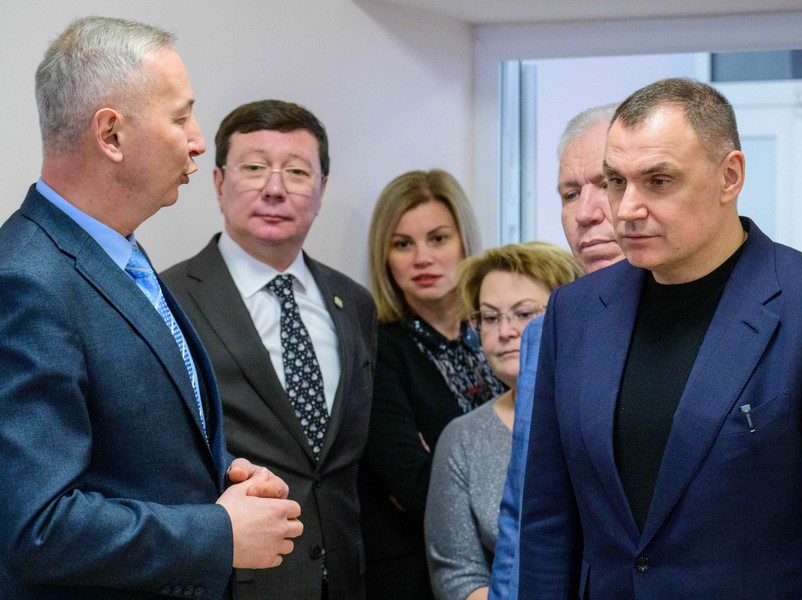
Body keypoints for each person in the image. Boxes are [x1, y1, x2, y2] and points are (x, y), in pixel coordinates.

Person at [517, 77, 802, 599]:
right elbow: (547, 520)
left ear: (729, 176)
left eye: (658, 181)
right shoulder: (576, 312)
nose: (625, 209)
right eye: (616, 181)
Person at [0, 16, 302, 600]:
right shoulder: (25, 281)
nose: (197, 140)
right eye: (181, 117)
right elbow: (35, 527)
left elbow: (127, 446)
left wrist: (224, 474)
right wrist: (219, 532)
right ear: (111, 135)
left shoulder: (115, 253)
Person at [162, 99, 377, 600]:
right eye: (254, 168)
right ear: (219, 182)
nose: (275, 188)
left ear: (321, 189)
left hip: (344, 580)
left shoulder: (354, 303)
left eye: (297, 172)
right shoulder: (169, 300)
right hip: (232, 582)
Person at [489, 103, 623, 600]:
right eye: (570, 194)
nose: (586, 213)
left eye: (607, 184)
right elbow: (526, 509)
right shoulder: (546, 334)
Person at [359, 170, 506, 600]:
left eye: (438, 239)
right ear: (385, 257)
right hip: (418, 576)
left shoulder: (499, 334)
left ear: (465, 241)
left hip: (516, 565)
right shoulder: (377, 349)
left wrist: (450, 466)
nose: (422, 258)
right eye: (403, 244)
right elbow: (417, 486)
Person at [425, 242, 580, 600]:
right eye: (490, 318)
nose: (505, 331)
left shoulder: (596, 418)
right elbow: (458, 575)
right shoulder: (463, 438)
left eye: (524, 313)